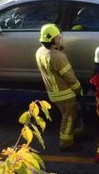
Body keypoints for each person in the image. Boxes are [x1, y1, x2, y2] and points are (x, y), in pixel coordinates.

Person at [35, 23, 85, 153]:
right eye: (58, 37)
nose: (60, 39)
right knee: (68, 118)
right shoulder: (58, 57)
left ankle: (78, 134)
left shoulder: (40, 52)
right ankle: (66, 143)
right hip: (65, 94)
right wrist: (79, 89)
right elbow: (70, 77)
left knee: (74, 114)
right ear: (51, 39)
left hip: (53, 93)